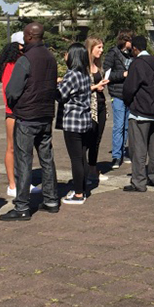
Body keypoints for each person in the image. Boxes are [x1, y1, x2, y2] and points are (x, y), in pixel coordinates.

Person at [1, 22, 60, 220]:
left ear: (28, 36)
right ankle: (51, 199)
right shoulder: (51, 58)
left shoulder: (26, 59)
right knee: (47, 158)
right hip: (45, 114)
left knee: (23, 161)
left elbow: (12, 90)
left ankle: (22, 206)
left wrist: (15, 104)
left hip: (27, 116)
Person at [122, 36, 154, 192]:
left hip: (141, 111)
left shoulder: (138, 64)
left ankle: (139, 181)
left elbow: (129, 88)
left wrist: (128, 102)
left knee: (139, 148)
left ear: (135, 48)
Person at [57, 43, 96, 205]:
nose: (65, 57)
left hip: (73, 122)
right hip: (85, 120)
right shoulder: (85, 75)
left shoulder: (72, 75)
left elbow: (60, 95)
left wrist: (54, 84)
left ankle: (79, 193)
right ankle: (82, 187)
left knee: (76, 159)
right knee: (81, 157)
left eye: (67, 54)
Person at [0, 39, 24, 197]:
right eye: (21, 50)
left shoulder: (21, 64)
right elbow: (9, 91)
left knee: (22, 149)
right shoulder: (10, 66)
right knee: (12, 147)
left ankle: (22, 181)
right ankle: (12, 185)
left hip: (21, 111)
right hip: (12, 112)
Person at [103, 31, 134, 169]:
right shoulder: (113, 53)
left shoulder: (132, 54)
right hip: (117, 94)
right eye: (130, 41)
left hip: (130, 93)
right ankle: (116, 156)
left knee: (127, 126)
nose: (131, 44)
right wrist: (123, 74)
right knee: (118, 126)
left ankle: (122, 151)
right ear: (124, 41)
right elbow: (107, 74)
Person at [85, 37, 110, 184]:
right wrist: (95, 87)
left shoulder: (98, 65)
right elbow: (80, 88)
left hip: (101, 105)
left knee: (97, 139)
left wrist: (102, 85)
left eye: (102, 47)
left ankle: (92, 168)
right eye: (98, 47)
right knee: (88, 139)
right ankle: (85, 169)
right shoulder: (84, 67)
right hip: (89, 107)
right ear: (91, 48)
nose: (101, 50)